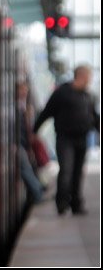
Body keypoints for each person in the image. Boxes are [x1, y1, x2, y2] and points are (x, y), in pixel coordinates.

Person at [33, 65, 101, 215]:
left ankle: (76, 204)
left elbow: (95, 117)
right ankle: (62, 203)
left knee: (78, 172)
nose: (90, 80)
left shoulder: (87, 95)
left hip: (82, 138)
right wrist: (34, 131)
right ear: (81, 76)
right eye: (88, 77)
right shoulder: (62, 93)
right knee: (66, 171)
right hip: (65, 139)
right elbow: (46, 112)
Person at [16, 81, 44, 203]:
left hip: (24, 143)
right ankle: (38, 194)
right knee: (26, 168)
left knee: (30, 167)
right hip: (18, 144)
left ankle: (38, 191)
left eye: (26, 90)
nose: (24, 93)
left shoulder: (26, 106)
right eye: (22, 90)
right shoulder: (16, 107)